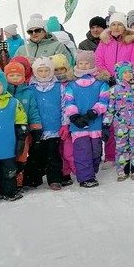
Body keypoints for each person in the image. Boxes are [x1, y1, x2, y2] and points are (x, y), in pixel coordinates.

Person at [95, 11, 134, 165]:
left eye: (119, 24)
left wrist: (125, 77)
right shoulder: (104, 42)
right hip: (109, 85)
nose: (116, 27)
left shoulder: (133, 42)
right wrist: (107, 76)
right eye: (113, 24)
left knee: (133, 120)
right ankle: (111, 155)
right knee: (111, 119)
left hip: (128, 85)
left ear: (124, 27)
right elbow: (99, 60)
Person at [62, 50, 110, 188]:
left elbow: (104, 100)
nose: (83, 65)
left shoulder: (100, 83)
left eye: (86, 63)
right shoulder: (71, 84)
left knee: (95, 150)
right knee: (82, 150)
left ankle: (92, 169)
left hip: (95, 122)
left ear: (93, 64)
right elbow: (69, 102)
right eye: (80, 63)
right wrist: (75, 116)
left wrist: (93, 113)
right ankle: (85, 177)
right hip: (78, 124)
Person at [103, 62, 134, 181]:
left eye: (130, 72)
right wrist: (106, 122)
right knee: (121, 147)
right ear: (119, 75)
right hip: (120, 123)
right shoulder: (114, 90)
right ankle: (123, 169)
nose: (128, 74)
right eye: (124, 72)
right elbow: (110, 108)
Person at [0, 68, 27, 202]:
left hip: (8, 146)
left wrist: (21, 137)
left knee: (9, 171)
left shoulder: (13, 102)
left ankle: (9, 191)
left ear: (4, 85)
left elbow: (21, 120)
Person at [28, 57, 66, 190]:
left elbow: (64, 106)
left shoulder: (58, 86)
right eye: (40, 71)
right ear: (35, 72)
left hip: (54, 127)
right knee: (36, 153)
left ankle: (55, 179)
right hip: (37, 128)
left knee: (53, 154)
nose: (44, 74)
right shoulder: (30, 88)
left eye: (46, 70)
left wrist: (64, 124)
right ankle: (34, 178)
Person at [4, 60, 42, 189]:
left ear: (23, 76)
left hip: (23, 129)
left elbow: (33, 110)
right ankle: (5, 182)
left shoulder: (28, 92)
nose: (15, 78)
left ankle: (19, 181)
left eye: (18, 75)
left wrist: (36, 126)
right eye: (11, 75)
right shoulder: (3, 92)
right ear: (6, 77)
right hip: (6, 129)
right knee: (8, 155)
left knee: (22, 154)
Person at [51, 53, 75, 187]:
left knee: (69, 150)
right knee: (59, 150)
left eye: (62, 69)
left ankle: (75, 169)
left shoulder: (71, 83)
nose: (59, 72)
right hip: (56, 121)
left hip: (70, 121)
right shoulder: (51, 85)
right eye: (56, 69)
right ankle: (64, 173)